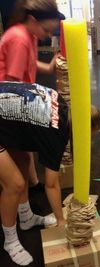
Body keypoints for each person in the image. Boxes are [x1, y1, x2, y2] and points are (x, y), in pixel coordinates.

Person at [0, 81, 100, 266]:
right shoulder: (56, 133)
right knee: (15, 184)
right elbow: (51, 184)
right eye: (89, 136)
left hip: (5, 117)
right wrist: (61, 220)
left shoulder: (62, 104)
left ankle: (26, 218)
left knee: (23, 160)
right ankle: (10, 241)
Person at [0, 0, 61, 191]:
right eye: (47, 30)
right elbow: (12, 85)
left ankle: (33, 185)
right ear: (33, 20)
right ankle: (25, 192)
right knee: (21, 154)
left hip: (14, 94)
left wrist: (51, 66)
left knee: (25, 155)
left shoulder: (29, 34)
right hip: (6, 100)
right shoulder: (19, 38)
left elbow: (30, 64)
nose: (49, 36)